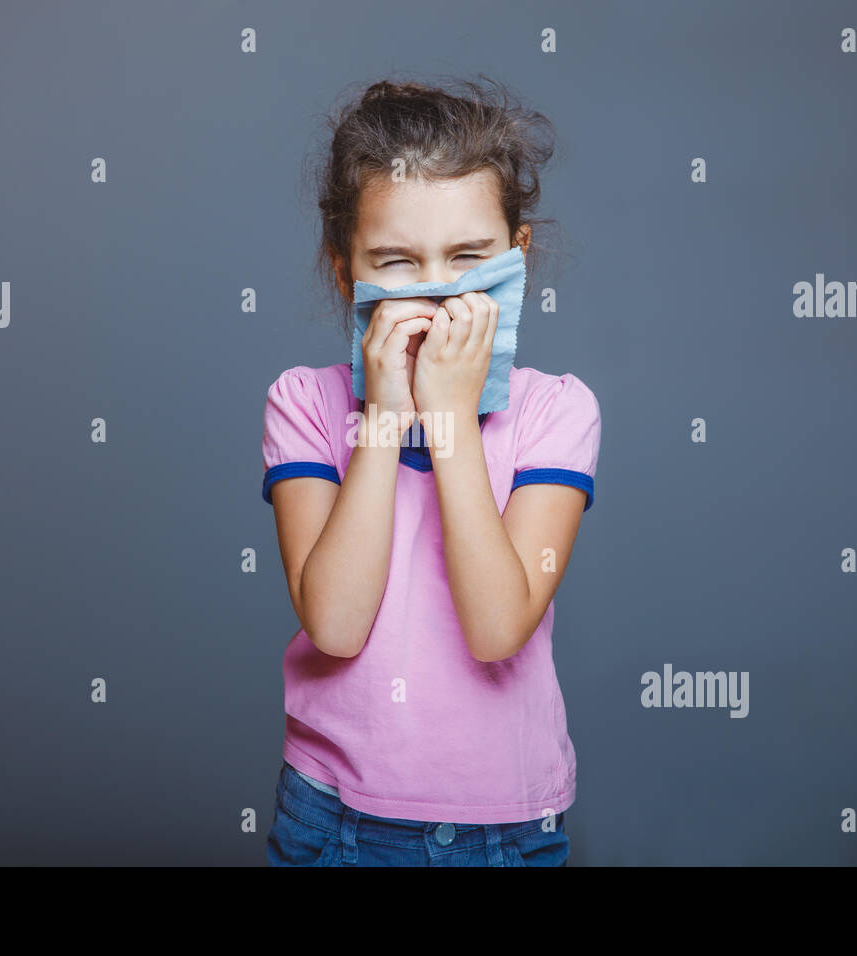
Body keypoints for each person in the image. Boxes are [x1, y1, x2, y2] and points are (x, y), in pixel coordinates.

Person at [261, 76, 601, 866]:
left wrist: (449, 420)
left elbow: (495, 628)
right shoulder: (304, 404)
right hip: (334, 820)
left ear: (517, 258)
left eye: (469, 258)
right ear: (346, 273)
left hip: (505, 834)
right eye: (397, 262)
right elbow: (336, 625)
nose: (439, 290)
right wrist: (383, 419)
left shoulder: (557, 412)